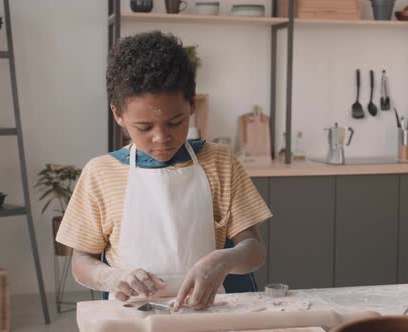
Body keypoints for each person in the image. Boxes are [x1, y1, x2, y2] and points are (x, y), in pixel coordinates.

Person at [56, 31, 272, 311]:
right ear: (118, 114)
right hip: (133, 319)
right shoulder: (100, 174)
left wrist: (225, 260)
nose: (161, 138)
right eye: (144, 128)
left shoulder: (221, 164)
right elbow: (81, 262)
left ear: (192, 105)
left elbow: (254, 250)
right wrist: (111, 276)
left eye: (175, 122)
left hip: (208, 314)